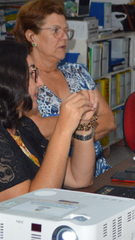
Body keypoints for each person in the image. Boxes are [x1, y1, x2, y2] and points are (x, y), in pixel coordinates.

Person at [13, 0, 116, 177]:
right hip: (57, 177)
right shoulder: (24, 80)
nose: (65, 37)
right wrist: (85, 125)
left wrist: (62, 133)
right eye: (56, 31)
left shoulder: (77, 71)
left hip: (98, 171)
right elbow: (32, 131)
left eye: (66, 31)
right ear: (31, 37)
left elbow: (109, 121)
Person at [0, 40, 96, 200]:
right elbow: (31, 205)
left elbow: (79, 178)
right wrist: (63, 129)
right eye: (32, 74)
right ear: (10, 80)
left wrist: (83, 125)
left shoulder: (23, 127)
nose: (40, 83)